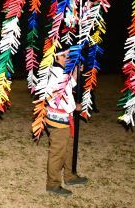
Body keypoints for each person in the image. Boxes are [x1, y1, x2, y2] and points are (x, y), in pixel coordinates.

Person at [45, 49, 88, 196]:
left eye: (68, 55)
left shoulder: (62, 72)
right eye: (64, 55)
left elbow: (69, 86)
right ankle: (52, 184)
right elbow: (58, 97)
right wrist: (74, 107)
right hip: (58, 121)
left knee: (69, 147)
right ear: (55, 58)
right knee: (57, 153)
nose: (67, 58)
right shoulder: (56, 74)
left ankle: (69, 175)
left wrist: (76, 71)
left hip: (65, 119)